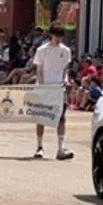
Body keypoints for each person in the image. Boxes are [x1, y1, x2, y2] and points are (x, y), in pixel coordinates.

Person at [33, 22, 73, 161]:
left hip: (59, 88)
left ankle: (61, 148)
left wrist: (66, 79)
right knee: (41, 118)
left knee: (61, 118)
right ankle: (39, 147)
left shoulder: (66, 51)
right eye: (57, 36)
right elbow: (39, 70)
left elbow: (65, 69)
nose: (59, 39)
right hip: (44, 88)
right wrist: (42, 85)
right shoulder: (42, 50)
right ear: (51, 35)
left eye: (61, 36)